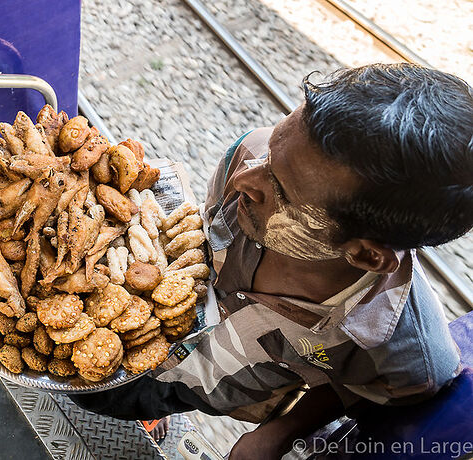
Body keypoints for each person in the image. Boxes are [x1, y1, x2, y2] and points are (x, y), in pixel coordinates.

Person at [70, 63, 473, 458]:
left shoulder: (396, 348)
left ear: (366, 254)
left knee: (140, 401)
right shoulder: (250, 155)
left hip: (201, 385)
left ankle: (150, 413)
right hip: (128, 335)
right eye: (271, 151)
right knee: (96, 397)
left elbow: (372, 392)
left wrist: (282, 430)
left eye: (278, 190)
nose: (243, 179)